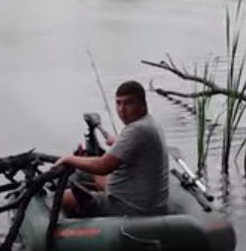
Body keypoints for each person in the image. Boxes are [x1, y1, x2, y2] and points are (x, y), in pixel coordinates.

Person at [55, 81, 169, 217]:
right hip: (139, 199)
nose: (122, 109)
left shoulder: (137, 130)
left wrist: (70, 159)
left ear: (143, 105)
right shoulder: (149, 123)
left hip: (128, 208)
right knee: (96, 177)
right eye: (118, 103)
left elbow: (103, 166)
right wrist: (117, 140)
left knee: (63, 197)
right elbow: (132, 144)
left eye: (128, 103)